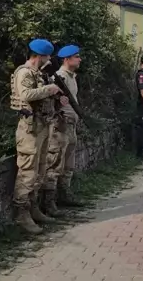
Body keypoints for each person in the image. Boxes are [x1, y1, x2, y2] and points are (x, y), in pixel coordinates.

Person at [10, 39, 62, 234]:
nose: (49, 60)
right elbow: (25, 95)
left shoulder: (39, 74)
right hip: (29, 130)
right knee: (28, 171)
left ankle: (33, 208)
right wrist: (49, 89)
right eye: (47, 56)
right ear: (39, 56)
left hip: (42, 126)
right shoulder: (24, 72)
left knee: (40, 169)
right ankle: (21, 214)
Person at [43, 44, 87, 216]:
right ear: (67, 59)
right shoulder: (59, 77)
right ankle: (49, 202)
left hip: (70, 125)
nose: (80, 59)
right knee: (55, 163)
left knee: (68, 164)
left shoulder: (71, 77)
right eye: (76, 56)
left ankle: (65, 194)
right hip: (61, 124)